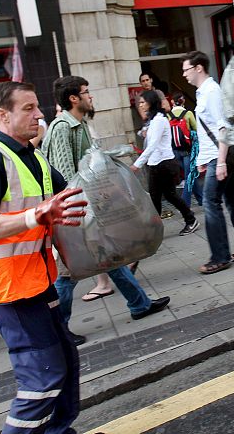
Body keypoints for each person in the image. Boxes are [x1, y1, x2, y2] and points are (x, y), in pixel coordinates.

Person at [0, 81, 87, 433]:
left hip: (37, 280)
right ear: (3, 115)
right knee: (43, 376)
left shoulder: (34, 156)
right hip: (10, 289)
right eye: (28, 108)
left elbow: (71, 194)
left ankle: (59, 431)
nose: (39, 114)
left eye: (38, 106)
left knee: (64, 360)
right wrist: (36, 216)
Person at [41, 76, 170, 334]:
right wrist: (82, 212)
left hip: (88, 208)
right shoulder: (62, 128)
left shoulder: (80, 125)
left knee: (109, 257)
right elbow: (65, 175)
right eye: (87, 92)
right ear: (73, 98)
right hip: (74, 212)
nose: (92, 97)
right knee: (67, 273)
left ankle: (139, 304)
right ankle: (58, 330)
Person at [181, 51, 234, 274]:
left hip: (220, 157)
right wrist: (202, 160)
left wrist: (222, 161)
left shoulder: (212, 91)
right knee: (233, 200)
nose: (184, 74)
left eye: (186, 69)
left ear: (198, 68)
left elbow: (222, 127)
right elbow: (208, 131)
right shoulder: (202, 93)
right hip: (214, 156)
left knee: (210, 203)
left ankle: (220, 257)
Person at [131, 89, 199, 237]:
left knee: (165, 196)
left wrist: (137, 164)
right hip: (158, 163)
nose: (140, 105)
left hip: (164, 163)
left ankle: (187, 220)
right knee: (162, 196)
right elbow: (149, 139)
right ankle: (185, 220)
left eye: (143, 102)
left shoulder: (159, 120)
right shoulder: (154, 120)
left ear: (150, 103)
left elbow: (153, 145)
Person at [171, 92, 203, 207]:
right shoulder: (188, 113)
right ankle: (185, 204)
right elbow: (196, 129)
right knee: (189, 177)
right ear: (183, 101)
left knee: (190, 175)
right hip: (187, 151)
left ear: (172, 102)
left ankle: (201, 199)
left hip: (174, 151)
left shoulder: (169, 115)